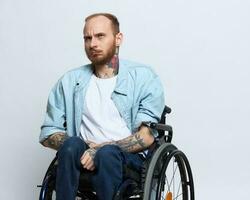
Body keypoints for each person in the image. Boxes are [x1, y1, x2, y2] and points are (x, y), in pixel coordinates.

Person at [39, 13, 165, 200]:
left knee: (107, 154)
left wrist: (99, 150)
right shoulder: (69, 81)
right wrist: (85, 147)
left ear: (118, 39)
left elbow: (146, 138)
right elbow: (48, 134)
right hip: (82, 157)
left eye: (100, 36)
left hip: (128, 160)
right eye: (87, 38)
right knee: (71, 144)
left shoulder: (144, 77)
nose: (93, 44)